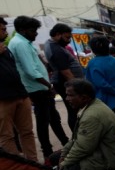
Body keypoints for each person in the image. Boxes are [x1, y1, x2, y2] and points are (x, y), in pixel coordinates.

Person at [8, 16, 69, 159]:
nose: (36, 33)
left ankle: (66, 143)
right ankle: (47, 152)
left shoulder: (26, 42)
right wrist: (49, 86)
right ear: (23, 30)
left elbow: (36, 62)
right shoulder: (20, 44)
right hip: (36, 89)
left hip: (41, 88)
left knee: (54, 118)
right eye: (33, 30)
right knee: (43, 121)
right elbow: (30, 71)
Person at [50, 79, 115, 170]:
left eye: (70, 95)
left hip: (111, 158)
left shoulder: (91, 116)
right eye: (67, 95)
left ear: (84, 98)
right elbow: (77, 139)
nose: (67, 99)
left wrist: (64, 163)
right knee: (55, 158)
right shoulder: (91, 105)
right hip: (101, 150)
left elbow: (83, 147)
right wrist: (64, 154)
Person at [0, 17, 38, 161]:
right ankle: (17, 168)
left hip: (21, 95)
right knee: (6, 136)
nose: (6, 33)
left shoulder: (6, 48)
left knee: (27, 132)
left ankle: (33, 164)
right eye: (3, 30)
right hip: (3, 99)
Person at [44, 23, 81, 131]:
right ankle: (78, 136)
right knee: (73, 110)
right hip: (65, 83)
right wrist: (78, 87)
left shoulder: (53, 45)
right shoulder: (56, 50)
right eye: (67, 37)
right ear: (57, 34)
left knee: (73, 110)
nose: (69, 40)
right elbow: (66, 72)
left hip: (64, 83)